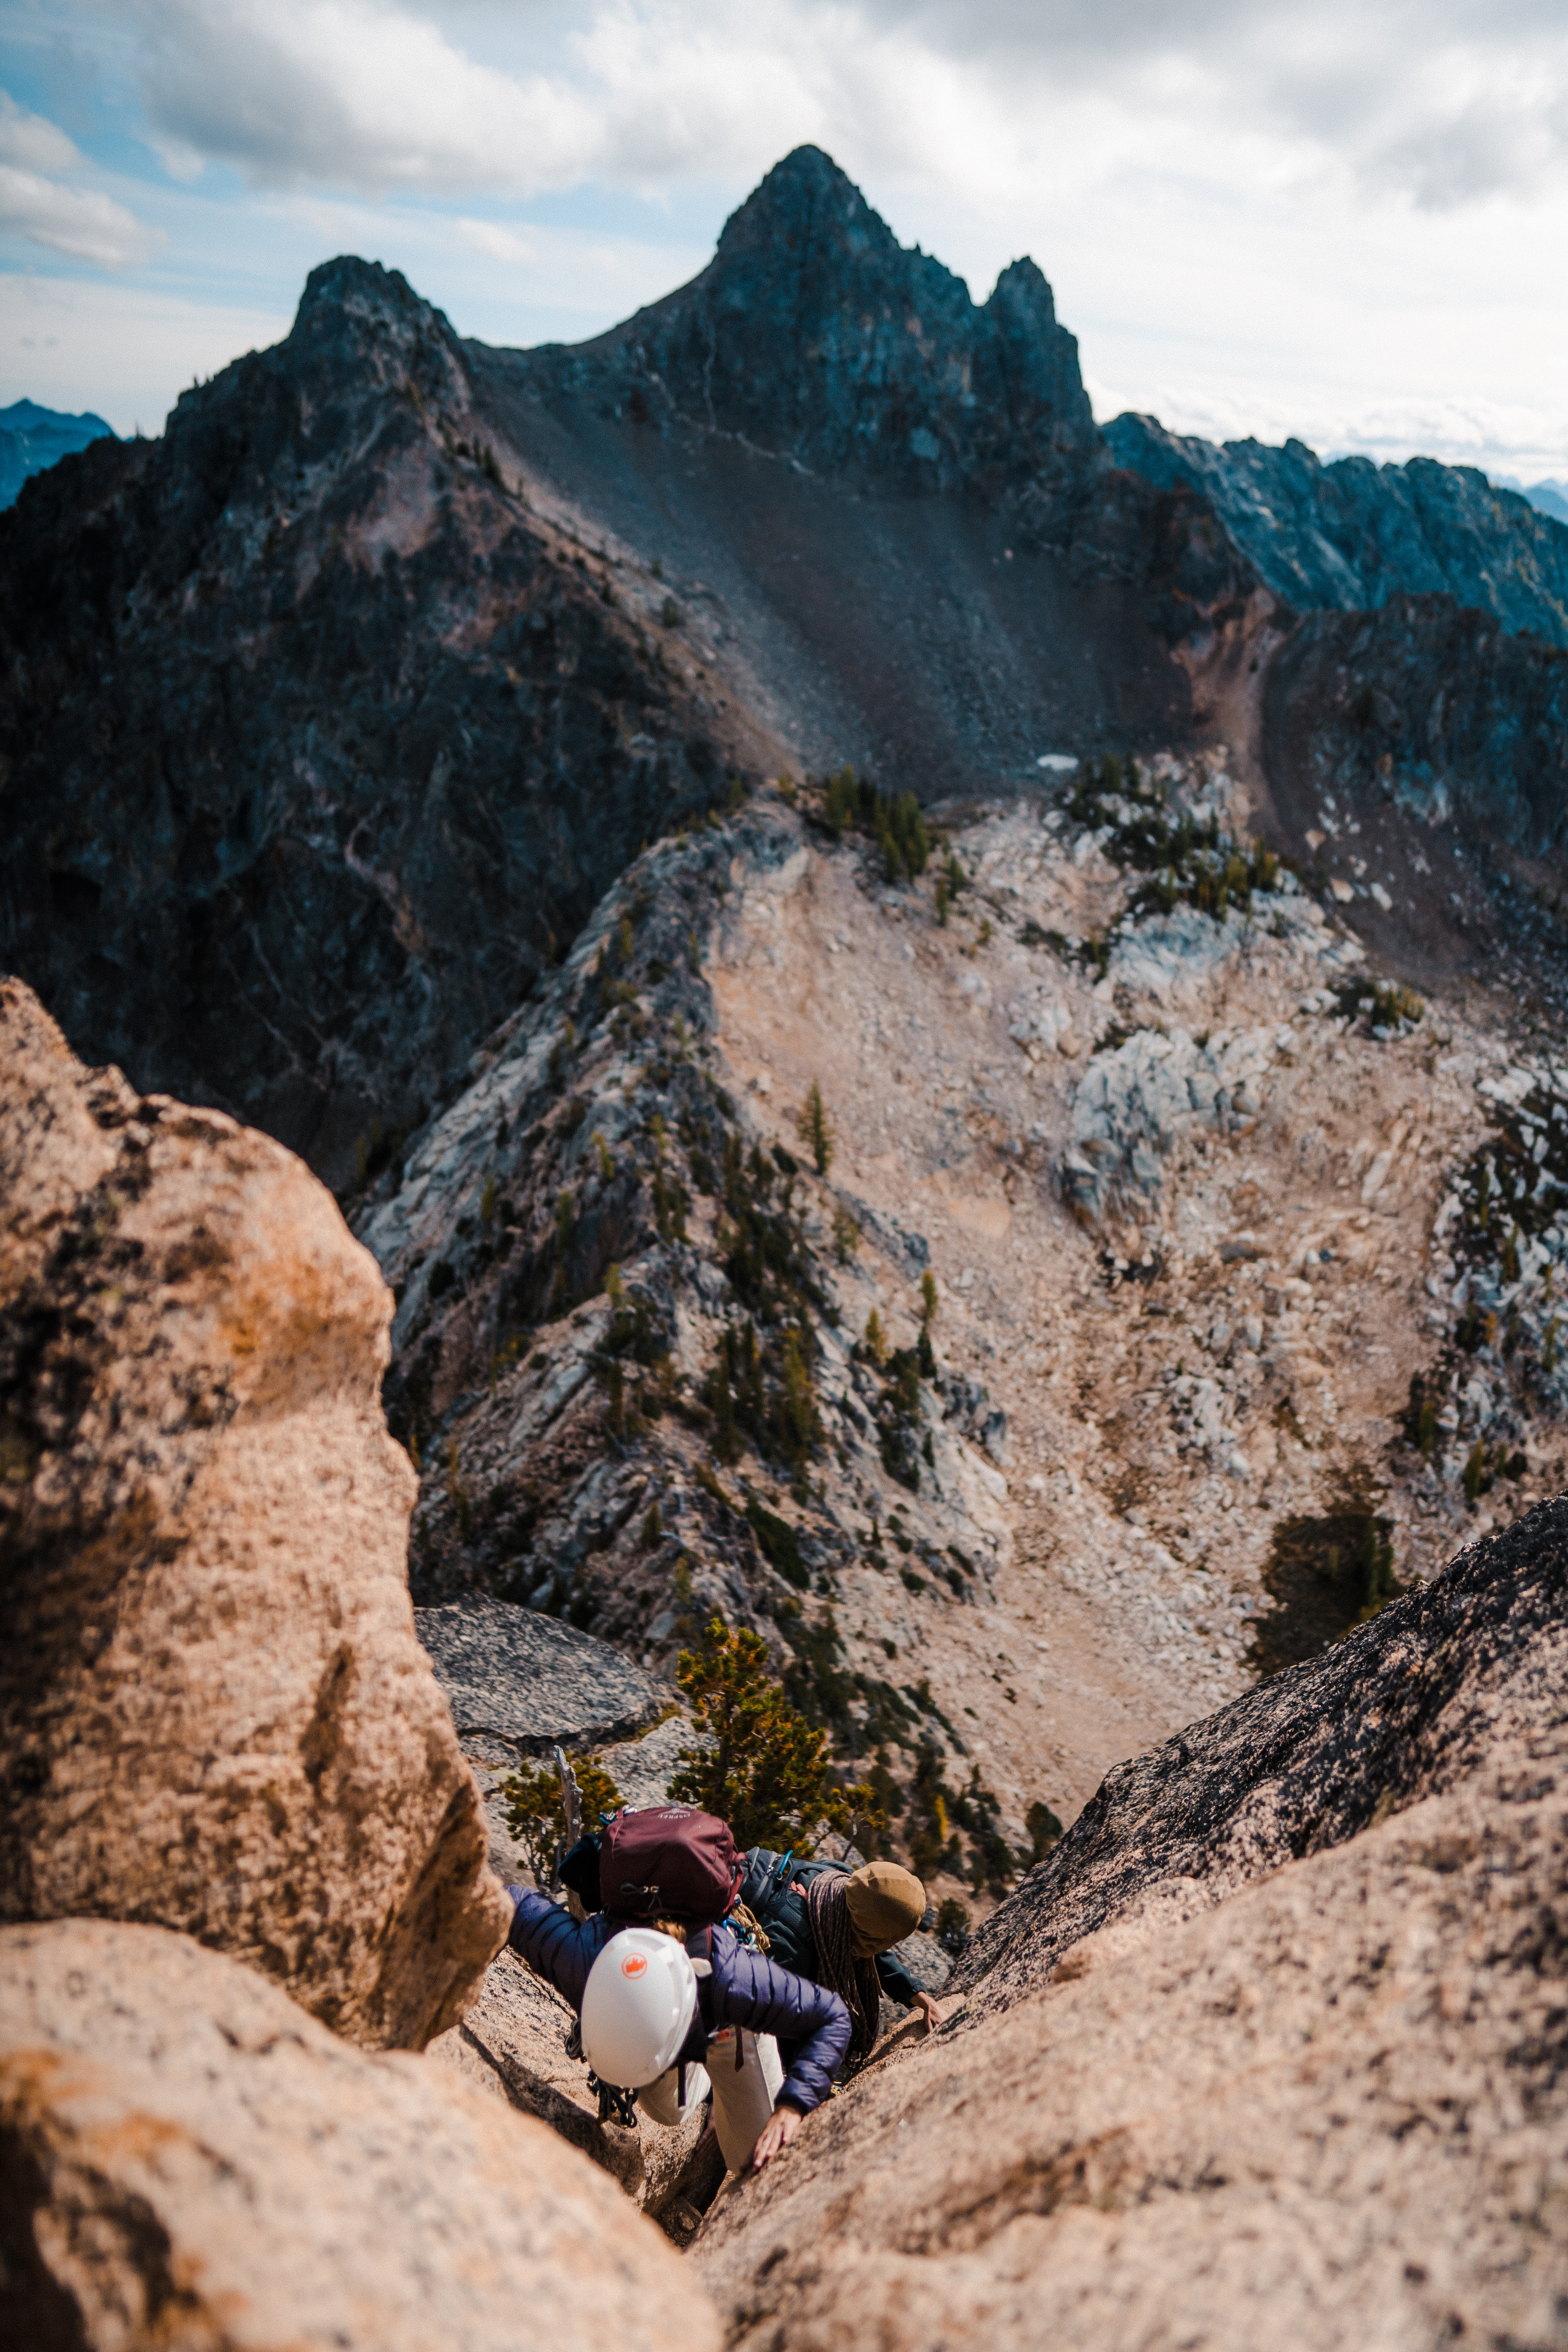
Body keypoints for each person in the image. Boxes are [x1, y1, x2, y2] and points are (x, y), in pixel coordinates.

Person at [506, 1882, 850, 2174]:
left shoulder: (735, 1983)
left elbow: (833, 2016)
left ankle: (716, 2057)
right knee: (670, 2110)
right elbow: (513, 1900)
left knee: (755, 2155)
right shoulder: (580, 1962)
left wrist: (793, 2106)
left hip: (730, 2027)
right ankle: (686, 2072)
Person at [738, 1851, 942, 2066]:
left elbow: (875, 1956)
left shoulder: (840, 1880)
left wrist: (923, 2000)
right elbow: (765, 2023)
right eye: (891, 1938)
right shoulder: (792, 1948)